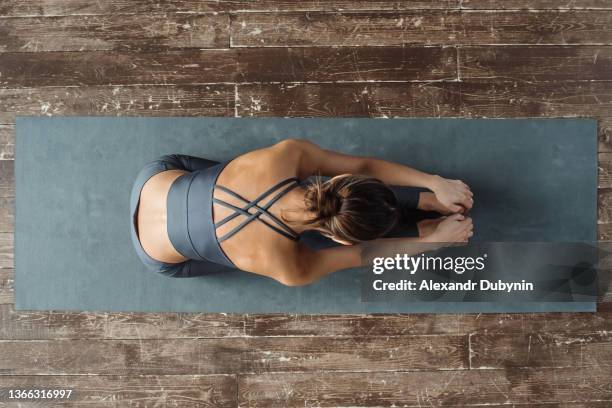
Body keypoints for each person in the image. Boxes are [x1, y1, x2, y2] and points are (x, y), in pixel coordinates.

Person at [130, 139, 474, 285]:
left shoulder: (288, 156)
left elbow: (361, 250)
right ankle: (419, 214)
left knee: (218, 193)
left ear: (339, 180)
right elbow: (359, 255)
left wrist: (433, 184)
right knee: (224, 252)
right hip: (158, 256)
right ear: (337, 237)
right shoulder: (288, 267)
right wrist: (431, 240)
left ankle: (420, 205)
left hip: (157, 177)